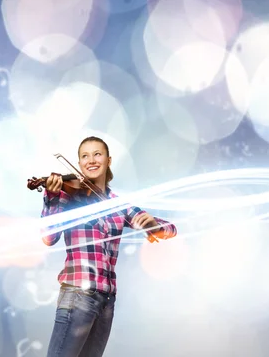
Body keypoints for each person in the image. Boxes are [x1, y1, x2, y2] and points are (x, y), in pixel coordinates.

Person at [40, 136, 177, 357]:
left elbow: (169, 228)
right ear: (79, 163)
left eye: (97, 154)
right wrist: (52, 197)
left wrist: (153, 226)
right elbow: (48, 237)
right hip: (77, 295)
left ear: (108, 160)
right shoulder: (69, 196)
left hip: (106, 302)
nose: (91, 160)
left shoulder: (117, 203)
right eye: (84, 156)